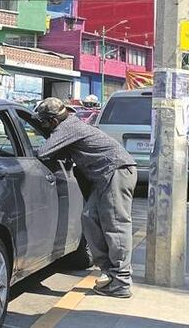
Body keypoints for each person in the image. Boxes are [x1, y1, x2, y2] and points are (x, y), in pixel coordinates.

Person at [34, 97, 137, 298]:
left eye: (43, 123)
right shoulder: (71, 125)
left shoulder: (66, 129)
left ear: (53, 121)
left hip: (115, 172)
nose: (43, 127)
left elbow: (43, 153)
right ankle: (110, 272)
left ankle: (121, 281)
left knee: (116, 226)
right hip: (107, 175)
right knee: (89, 218)